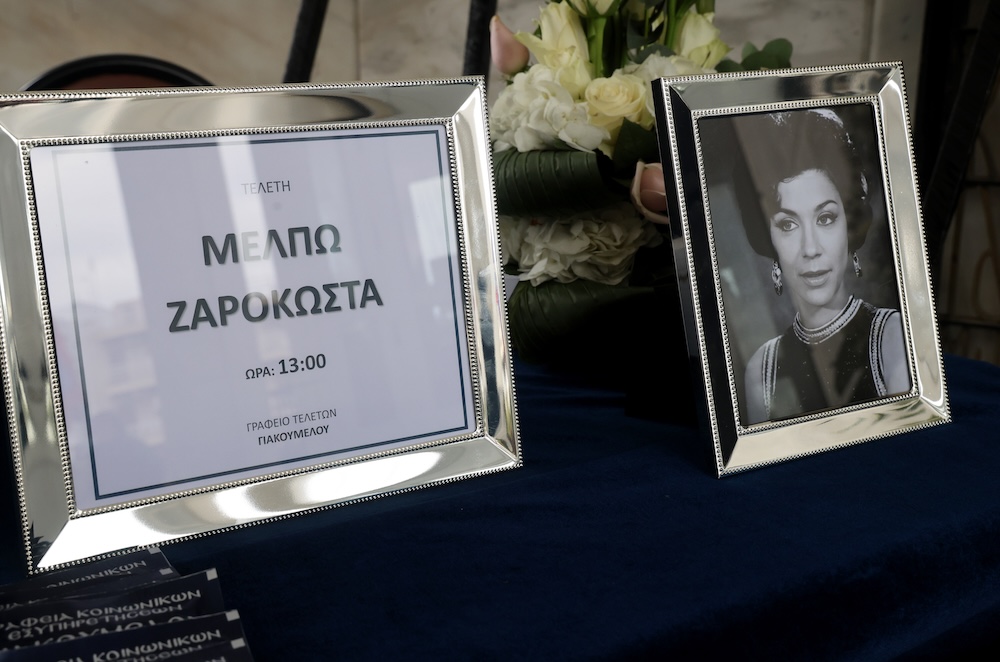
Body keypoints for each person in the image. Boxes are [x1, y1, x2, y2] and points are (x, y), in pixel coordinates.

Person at [738, 108, 911, 424]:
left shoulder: (893, 337)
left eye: (826, 218)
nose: (811, 249)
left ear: (849, 226)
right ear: (768, 239)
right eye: (788, 225)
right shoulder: (762, 368)